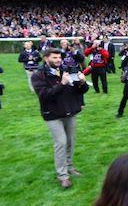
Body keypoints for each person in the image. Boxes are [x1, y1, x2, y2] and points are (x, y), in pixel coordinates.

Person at [31, 48, 89, 189]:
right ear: (46, 58)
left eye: (59, 58)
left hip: (69, 111)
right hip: (52, 114)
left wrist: (82, 83)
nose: (58, 60)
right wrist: (61, 84)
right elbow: (45, 95)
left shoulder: (66, 70)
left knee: (70, 142)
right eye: (54, 57)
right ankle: (62, 175)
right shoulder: (38, 75)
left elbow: (79, 91)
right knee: (61, 142)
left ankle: (69, 166)